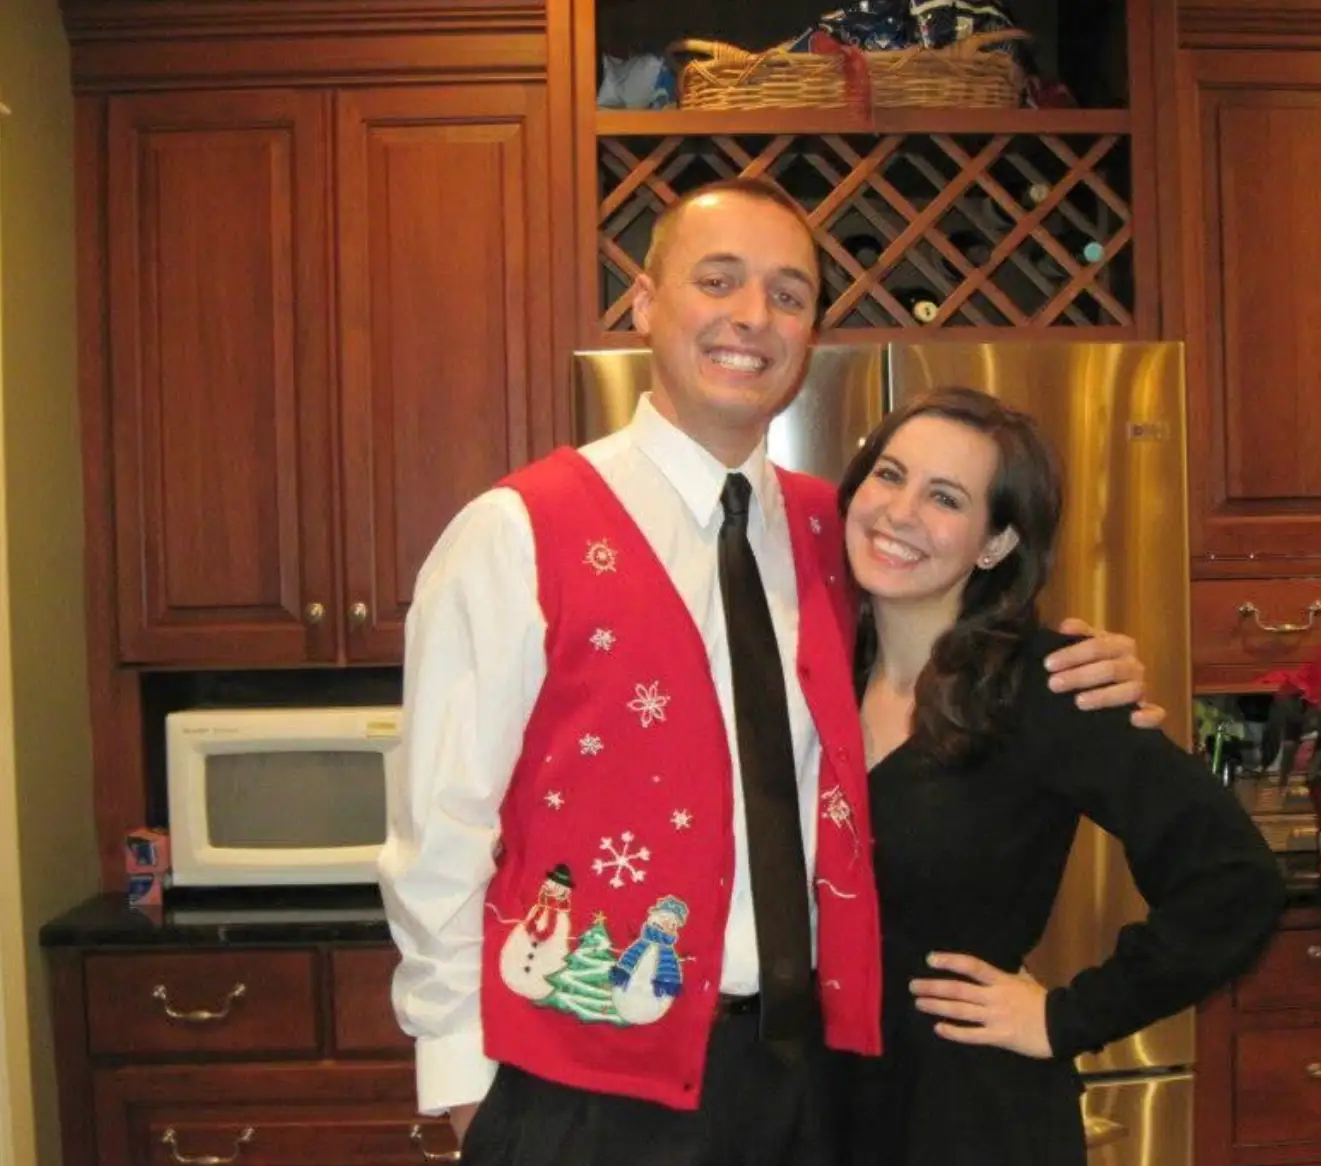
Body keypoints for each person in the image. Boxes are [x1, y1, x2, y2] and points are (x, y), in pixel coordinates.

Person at [378, 176, 1159, 1166]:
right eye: (718, 280)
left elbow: (957, 644)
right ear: (646, 303)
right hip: (584, 1088)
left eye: (788, 295)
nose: (754, 316)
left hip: (806, 1084)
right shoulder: (518, 533)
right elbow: (439, 832)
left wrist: (1089, 665)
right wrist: (465, 1090)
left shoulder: (841, 535)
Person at [831, 386, 1286, 1166]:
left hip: (970, 1120)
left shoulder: (1049, 687)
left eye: (944, 497)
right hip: (821, 1112)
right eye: (889, 475)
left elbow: (1235, 879)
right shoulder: (818, 672)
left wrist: (1062, 1018)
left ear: (996, 544)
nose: (899, 512)